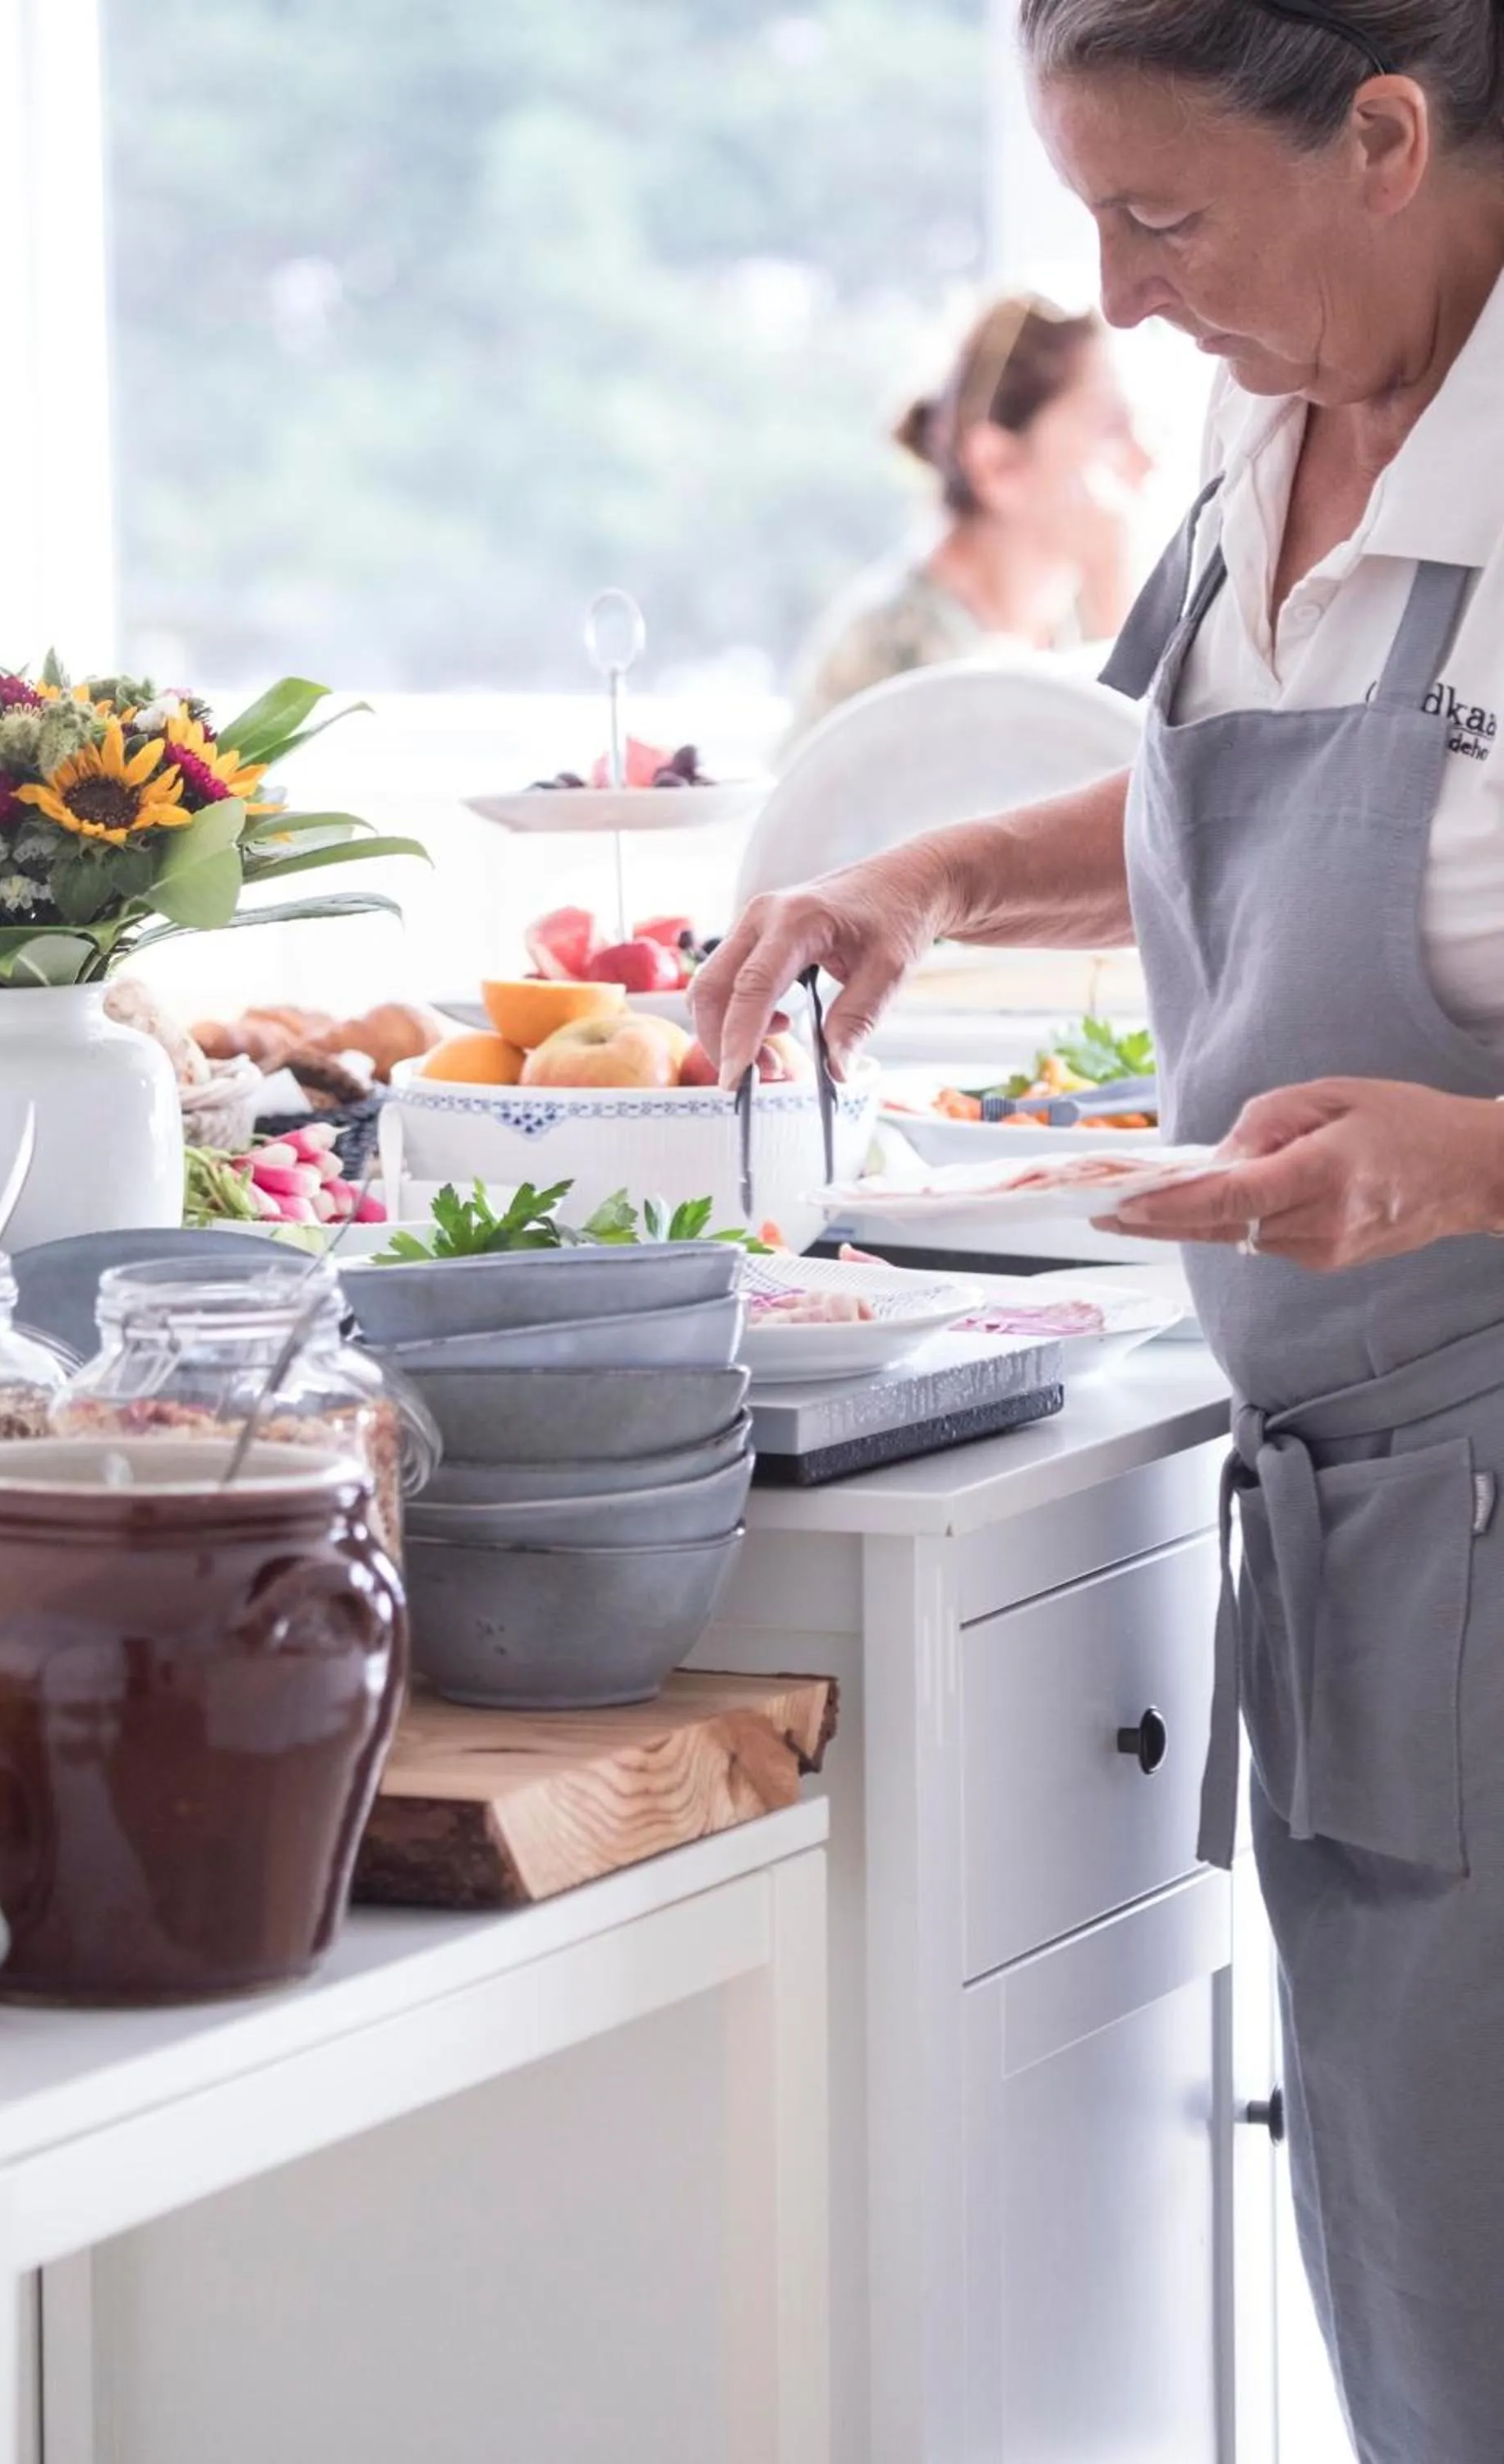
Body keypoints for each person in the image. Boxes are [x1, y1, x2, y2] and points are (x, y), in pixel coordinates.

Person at [694, 5, 1504, 2455]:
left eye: (1162, 217)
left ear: (1383, 136)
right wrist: (932, 868)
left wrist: (1472, 1164)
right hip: (1373, 1539)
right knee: (1428, 2279)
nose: (1119, 298)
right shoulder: (1293, 423)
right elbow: (1189, 780)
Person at [783, 292, 1153, 745]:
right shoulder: (899, 653)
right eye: (1112, 427)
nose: (1147, 459)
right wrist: (1112, 592)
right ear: (998, 465)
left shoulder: (1063, 627)